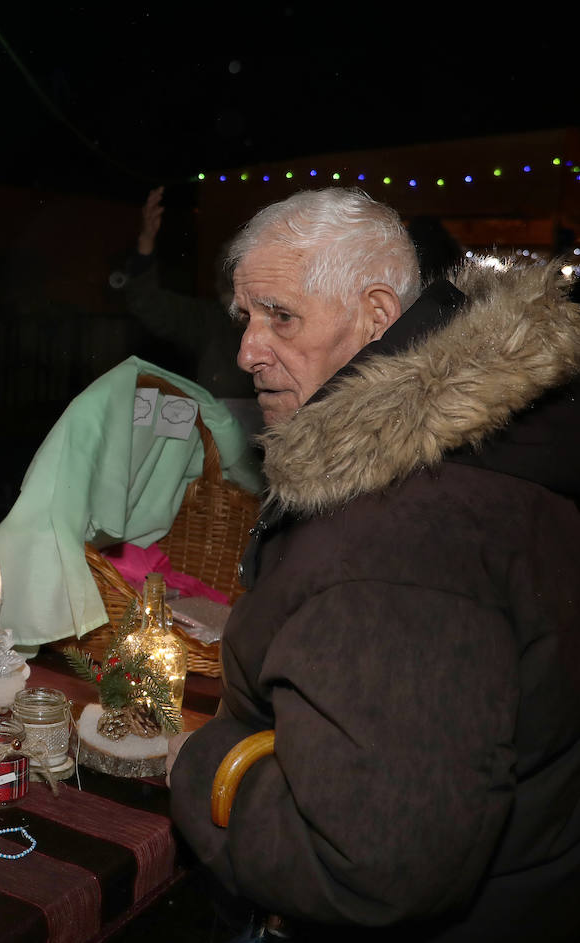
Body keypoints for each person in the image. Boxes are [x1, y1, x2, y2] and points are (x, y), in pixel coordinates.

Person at [167, 188, 580, 941]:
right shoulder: (474, 448)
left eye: (279, 315)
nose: (247, 350)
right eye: (247, 317)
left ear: (378, 316)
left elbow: (372, 862)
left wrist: (203, 766)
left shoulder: (397, 532)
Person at [115, 186, 250, 400]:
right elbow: (148, 304)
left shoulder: (294, 322)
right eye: (235, 273)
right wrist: (146, 242)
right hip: (221, 429)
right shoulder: (213, 321)